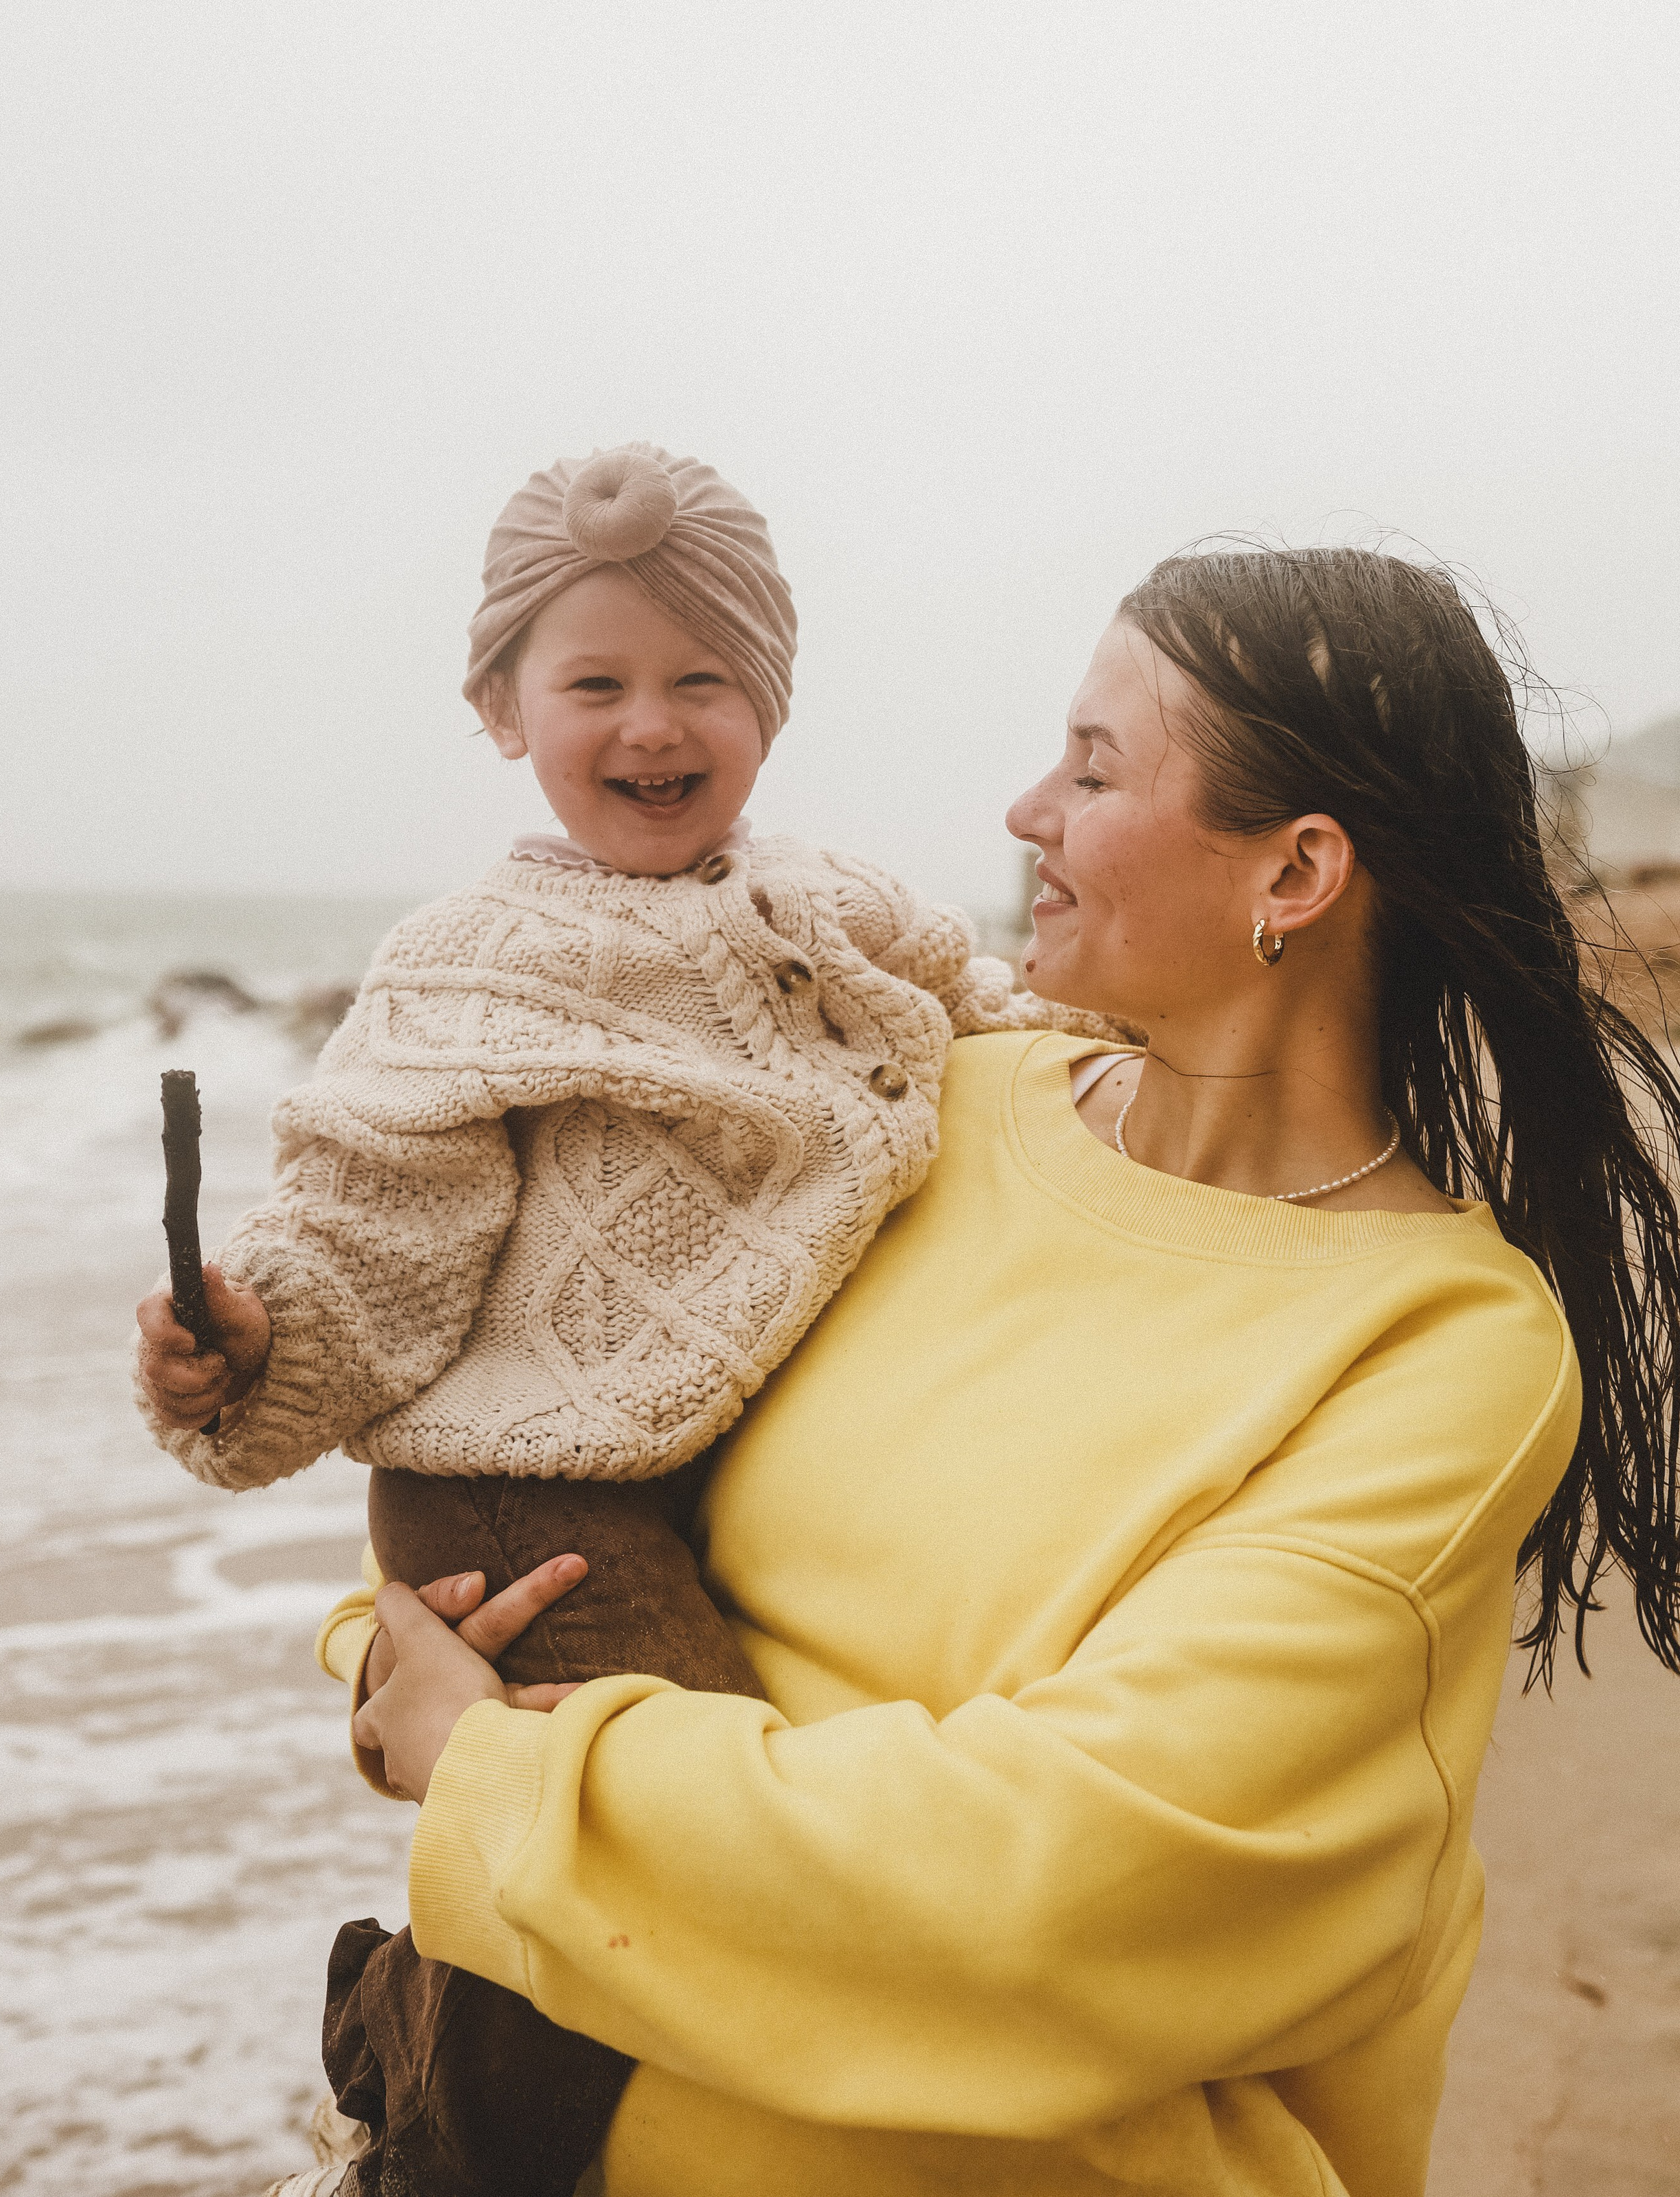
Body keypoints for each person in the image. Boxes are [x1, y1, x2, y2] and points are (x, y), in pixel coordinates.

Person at [324, 543, 1680, 2197]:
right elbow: (579, 1415)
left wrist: (504, 1776)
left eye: (1094, 769)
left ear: (1296, 872)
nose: (1026, 810)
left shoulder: (1439, 1352)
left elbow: (1067, 1879)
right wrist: (404, 1658)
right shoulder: (934, 1110)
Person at [133, 441, 1122, 2197]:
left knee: (634, 1866)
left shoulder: (837, 907)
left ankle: (403, 2008)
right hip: (528, 1491)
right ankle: (408, 2131)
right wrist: (256, 1341)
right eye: (592, 682)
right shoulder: (479, 961)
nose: (649, 722)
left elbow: (995, 1017)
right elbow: (376, 1218)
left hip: (688, 1467)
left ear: (769, 702)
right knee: (644, 1866)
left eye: (701, 680)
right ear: (502, 707)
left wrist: (1130, 1071)